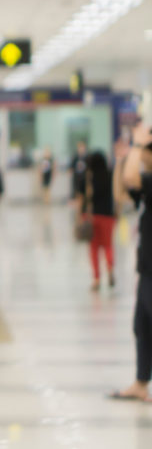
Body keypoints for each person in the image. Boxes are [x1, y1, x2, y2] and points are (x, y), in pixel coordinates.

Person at [112, 124, 152, 402]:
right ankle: (140, 383)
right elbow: (121, 193)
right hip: (147, 267)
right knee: (142, 325)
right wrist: (120, 160)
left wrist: (136, 146)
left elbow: (131, 180)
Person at [77, 151, 118, 290]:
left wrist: (78, 216)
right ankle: (110, 269)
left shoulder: (87, 177)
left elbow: (81, 198)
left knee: (94, 249)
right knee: (108, 245)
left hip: (90, 216)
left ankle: (96, 279)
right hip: (108, 215)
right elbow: (117, 195)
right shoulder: (110, 175)